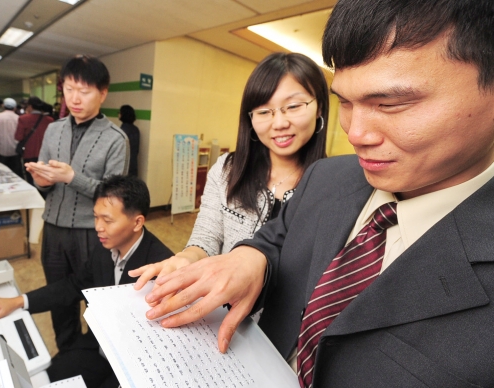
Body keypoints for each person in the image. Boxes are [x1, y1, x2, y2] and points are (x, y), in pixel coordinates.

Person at [133, 0, 494, 387]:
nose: (356, 135)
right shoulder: (328, 176)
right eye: (347, 103)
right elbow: (277, 239)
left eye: (390, 103)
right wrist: (251, 259)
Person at [134, 52, 328, 292]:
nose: (278, 123)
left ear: (319, 107)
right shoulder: (228, 169)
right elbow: (206, 239)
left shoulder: (332, 185)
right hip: (223, 312)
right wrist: (186, 258)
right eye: (264, 111)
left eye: (293, 106)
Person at [0, 175, 173, 388]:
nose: (98, 227)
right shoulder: (105, 248)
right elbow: (73, 285)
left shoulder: (162, 267)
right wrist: (18, 301)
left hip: (134, 365)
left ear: (137, 222)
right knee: (45, 378)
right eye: (95, 217)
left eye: (107, 220)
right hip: (98, 348)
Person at [25, 55, 129, 352]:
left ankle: (96, 358)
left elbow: (114, 196)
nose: (75, 98)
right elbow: (44, 184)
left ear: (103, 93)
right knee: (59, 298)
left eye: (84, 91)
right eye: (69, 89)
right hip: (54, 231)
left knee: (96, 300)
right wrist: (42, 181)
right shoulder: (53, 129)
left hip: (92, 234)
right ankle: (67, 356)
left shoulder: (115, 138)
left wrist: (72, 177)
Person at [14, 96, 54, 184]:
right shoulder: (49, 120)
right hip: (46, 154)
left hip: (29, 153)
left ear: (30, 106)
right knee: (44, 178)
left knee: (30, 177)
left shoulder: (23, 119)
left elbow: (18, 137)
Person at [0, 98, 21, 176]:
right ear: (15, 107)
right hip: (15, 150)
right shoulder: (18, 118)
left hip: (0, 149)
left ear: (3, 106)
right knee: (14, 173)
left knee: (1, 172)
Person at [118, 105, 140, 177]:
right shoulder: (136, 129)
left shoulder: (122, 130)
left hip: (123, 165)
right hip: (133, 163)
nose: (118, 114)